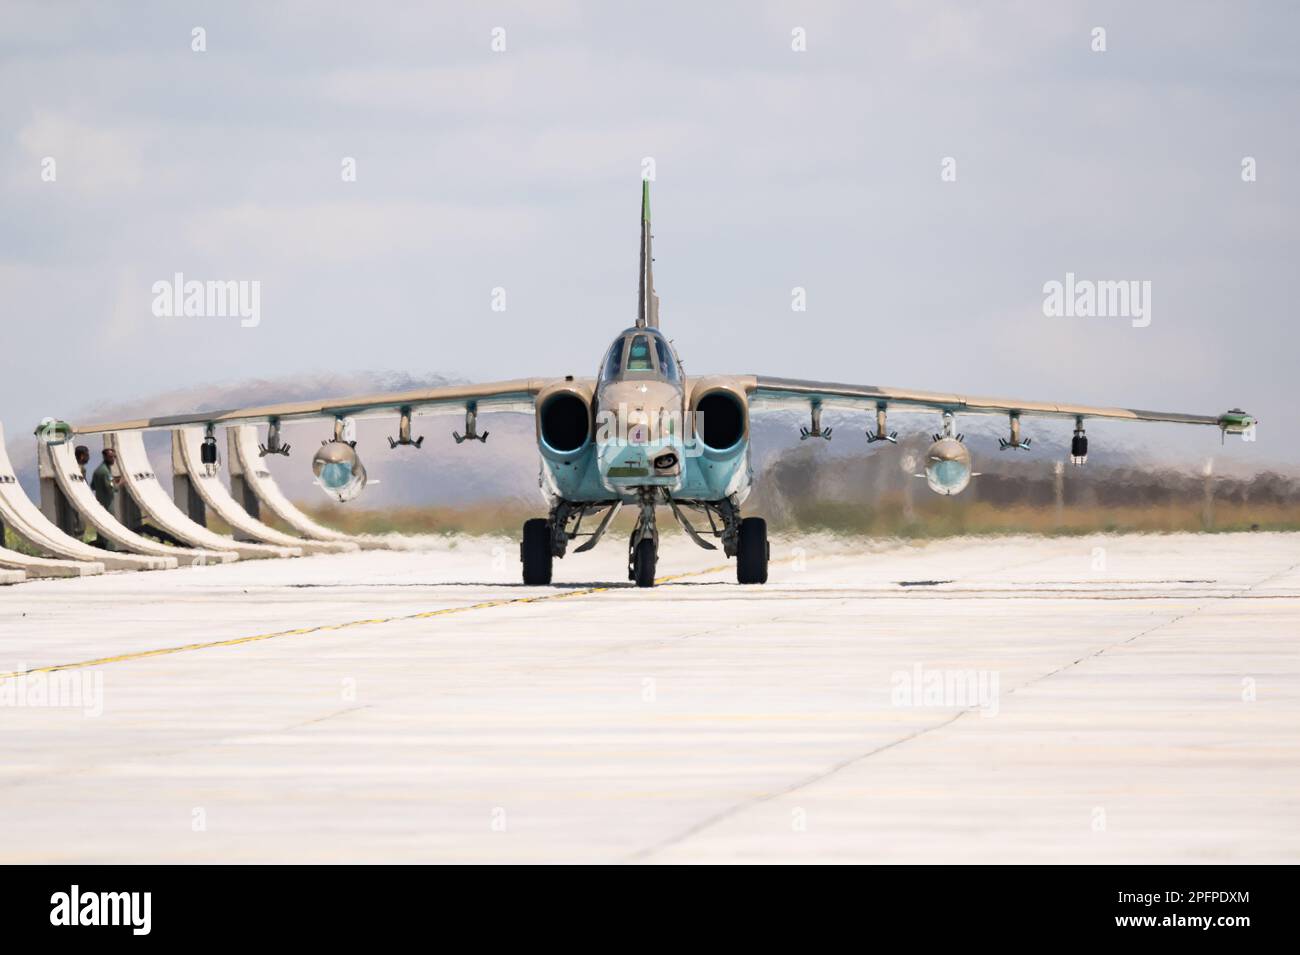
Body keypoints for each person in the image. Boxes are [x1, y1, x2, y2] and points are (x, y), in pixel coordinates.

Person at [88, 447, 122, 550]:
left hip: (100, 504)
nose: (113, 459)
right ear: (105, 457)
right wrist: (121, 483)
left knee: (101, 529)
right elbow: (111, 489)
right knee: (110, 528)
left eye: (114, 457)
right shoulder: (105, 471)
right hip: (108, 505)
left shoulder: (98, 470)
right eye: (111, 457)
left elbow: (93, 486)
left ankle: (102, 547)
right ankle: (110, 549)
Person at [70, 445, 90, 539]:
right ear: (82, 456)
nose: (88, 457)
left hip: (80, 501)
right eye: (87, 455)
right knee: (79, 525)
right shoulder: (77, 469)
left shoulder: (79, 468)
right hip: (78, 501)